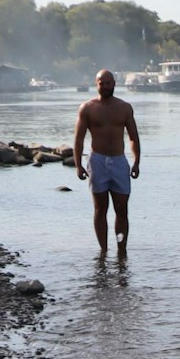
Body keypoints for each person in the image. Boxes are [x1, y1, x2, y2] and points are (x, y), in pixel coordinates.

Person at [73, 69, 142, 260]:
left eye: (108, 83)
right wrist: (78, 165)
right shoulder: (87, 107)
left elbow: (133, 137)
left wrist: (136, 162)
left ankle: (122, 250)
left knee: (122, 209)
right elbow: (78, 139)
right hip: (97, 161)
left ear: (114, 84)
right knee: (100, 209)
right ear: (96, 85)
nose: (105, 86)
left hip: (119, 161)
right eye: (101, 83)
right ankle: (103, 251)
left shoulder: (125, 108)